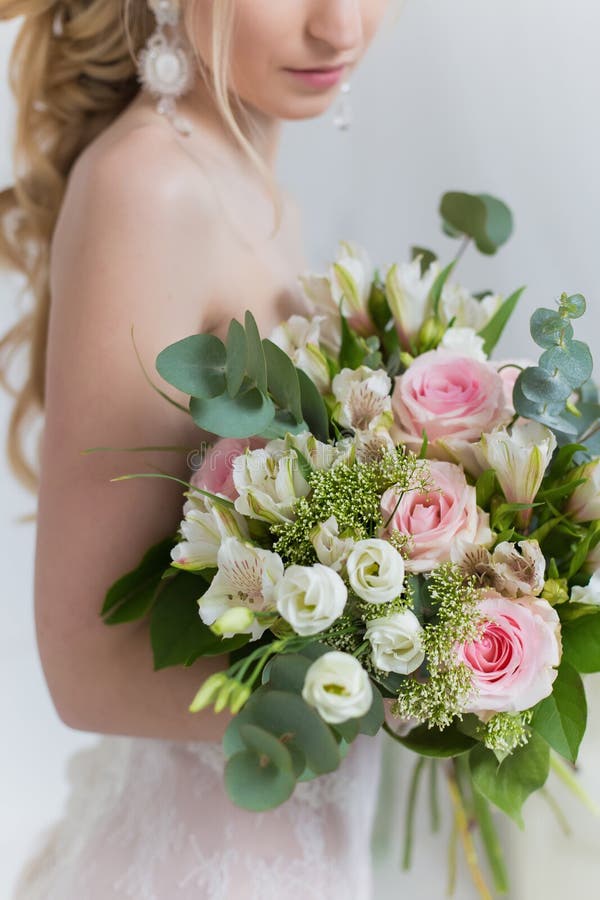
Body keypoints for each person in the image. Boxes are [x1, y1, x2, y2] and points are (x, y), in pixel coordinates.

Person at [0, 1, 395, 898]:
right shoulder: (153, 186)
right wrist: (417, 682)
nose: (342, 28)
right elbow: (86, 670)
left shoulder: (255, 190)